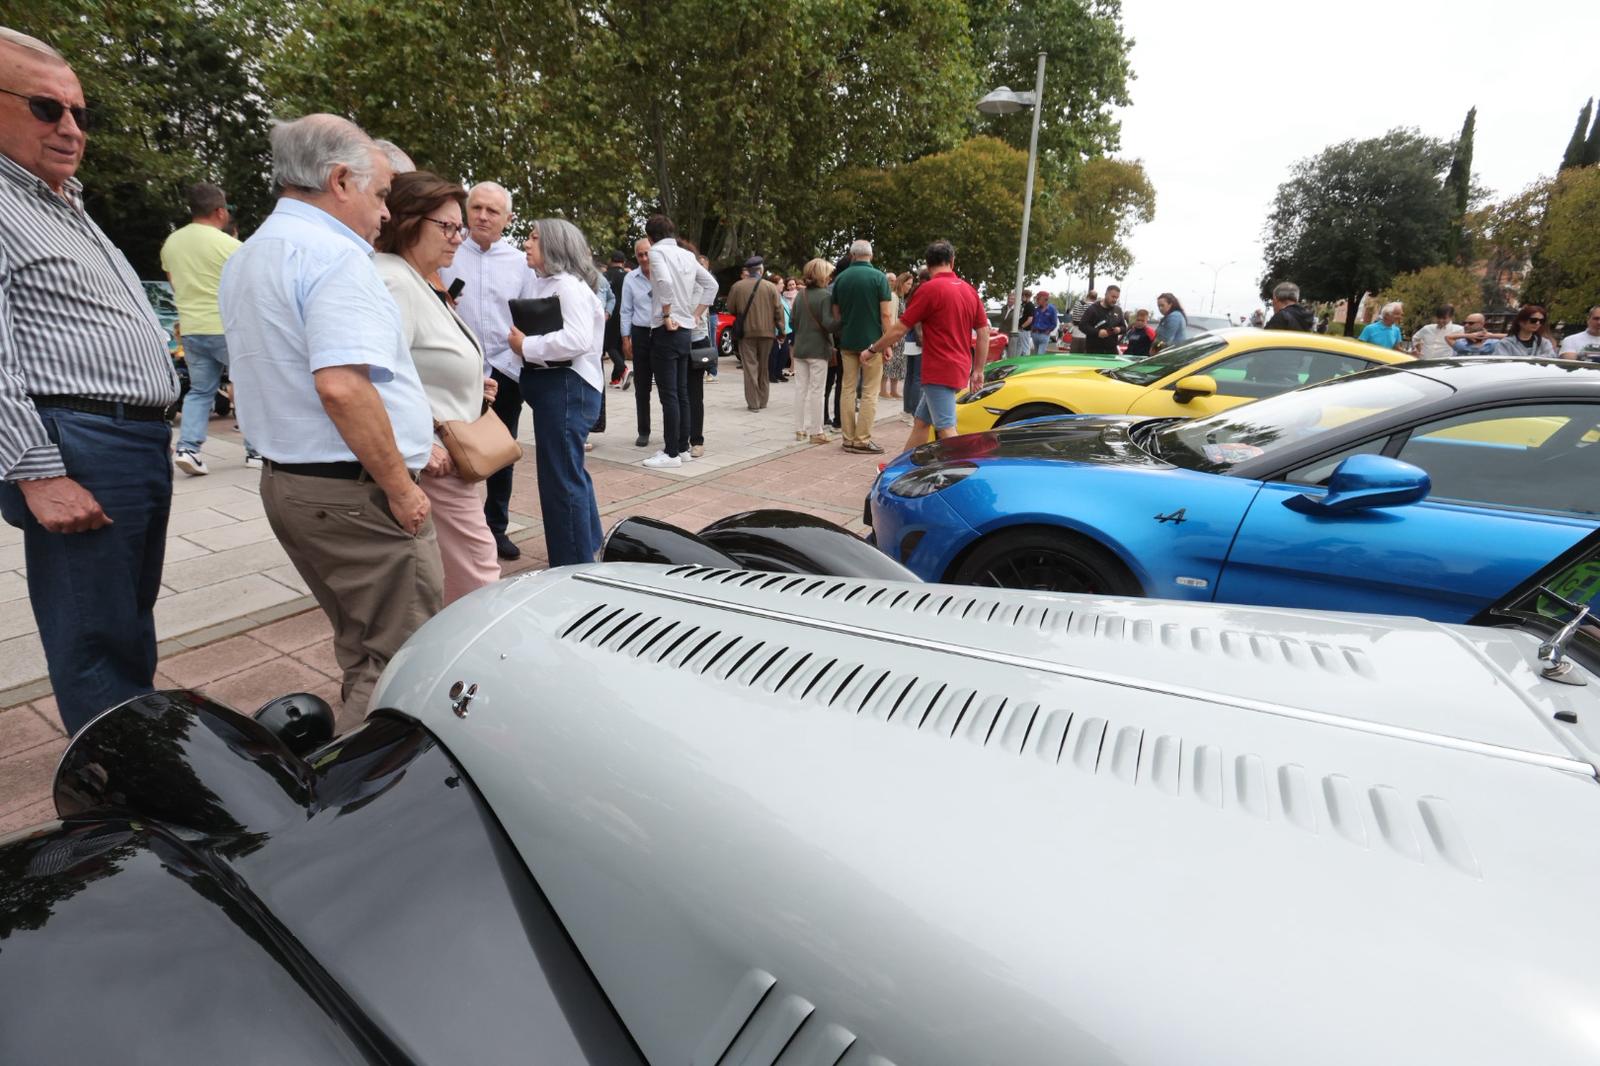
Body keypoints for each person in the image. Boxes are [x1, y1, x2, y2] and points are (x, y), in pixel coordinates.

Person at [219, 113, 440, 718]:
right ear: (341, 180)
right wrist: (401, 488)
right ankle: (375, 792)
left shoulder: (251, 254)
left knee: (362, 648)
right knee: (400, 660)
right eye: (382, 193)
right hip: (355, 492)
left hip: (294, 482)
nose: (387, 213)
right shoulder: (334, 256)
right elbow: (343, 387)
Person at [0, 28, 180, 734]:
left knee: (126, 622)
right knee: (95, 638)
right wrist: (37, 470)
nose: (71, 128)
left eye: (80, 112)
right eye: (48, 109)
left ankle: (139, 750)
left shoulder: (57, 199)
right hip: (78, 440)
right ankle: (115, 796)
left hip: (125, 439)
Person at [373, 172, 499, 606]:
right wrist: (421, 442)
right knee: (478, 575)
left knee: (458, 571)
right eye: (447, 227)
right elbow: (375, 376)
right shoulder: (393, 279)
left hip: (450, 453)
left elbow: (420, 361)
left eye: (457, 227)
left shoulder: (415, 278)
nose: (457, 238)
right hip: (438, 460)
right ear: (407, 223)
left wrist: (469, 381)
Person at [507, 218, 605, 563]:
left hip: (566, 388)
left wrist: (526, 345)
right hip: (558, 388)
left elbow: (577, 340)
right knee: (567, 472)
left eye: (535, 237)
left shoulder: (567, 286)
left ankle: (572, 563)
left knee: (560, 481)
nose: (527, 243)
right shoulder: (548, 284)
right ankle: (588, 544)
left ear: (554, 245)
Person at [440, 180, 529, 561]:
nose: (482, 216)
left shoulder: (520, 263)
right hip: (455, 369)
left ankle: (496, 527)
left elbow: (529, 313)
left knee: (499, 450)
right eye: (476, 208)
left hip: (505, 369)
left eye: (492, 211)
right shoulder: (448, 251)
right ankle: (453, 529)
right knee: (449, 448)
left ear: (507, 219)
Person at [162, 181, 255, 474]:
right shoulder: (229, 245)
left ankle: (189, 449)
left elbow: (174, 283)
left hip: (191, 328)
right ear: (219, 212)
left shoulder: (171, 243)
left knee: (200, 390)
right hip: (227, 326)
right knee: (250, 387)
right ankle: (256, 451)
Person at [864, 240, 987, 455]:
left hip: (938, 370)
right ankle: (901, 468)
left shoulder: (929, 290)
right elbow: (984, 332)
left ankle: (963, 476)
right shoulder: (969, 290)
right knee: (921, 422)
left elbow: (899, 329)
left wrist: (873, 349)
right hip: (959, 367)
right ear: (952, 261)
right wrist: (978, 370)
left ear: (928, 265)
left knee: (947, 430)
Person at [640, 214, 716, 468]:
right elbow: (711, 285)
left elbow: (664, 281)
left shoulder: (657, 253)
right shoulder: (687, 255)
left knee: (669, 394)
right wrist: (695, 315)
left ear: (650, 238)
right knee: (682, 392)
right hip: (685, 330)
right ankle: (682, 447)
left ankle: (671, 452)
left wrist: (666, 313)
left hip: (667, 328)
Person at [832, 239, 894, 453]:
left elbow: (836, 314)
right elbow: (885, 314)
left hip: (847, 340)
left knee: (847, 389)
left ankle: (848, 437)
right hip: (872, 343)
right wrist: (888, 342)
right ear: (871, 255)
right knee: (869, 391)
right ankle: (862, 439)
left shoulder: (841, 278)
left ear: (852, 255)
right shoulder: (879, 277)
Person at [726, 256, 785, 415]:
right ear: (760, 270)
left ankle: (753, 403)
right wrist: (782, 330)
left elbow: (731, 308)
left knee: (750, 367)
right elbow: (779, 311)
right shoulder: (771, 287)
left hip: (746, 333)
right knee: (764, 366)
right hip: (767, 333)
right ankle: (763, 400)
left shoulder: (737, 287)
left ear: (749, 270)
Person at [791, 258, 841, 444]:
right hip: (818, 349)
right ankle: (816, 431)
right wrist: (841, 321)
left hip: (800, 347)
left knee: (800, 389)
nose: (830, 278)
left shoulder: (800, 295)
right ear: (822, 275)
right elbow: (829, 324)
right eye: (828, 274)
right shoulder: (825, 296)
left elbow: (792, 322)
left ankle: (799, 429)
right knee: (817, 391)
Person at [619, 237, 652, 442]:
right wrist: (625, 338)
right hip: (640, 334)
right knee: (642, 386)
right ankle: (643, 431)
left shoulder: (664, 273)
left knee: (668, 388)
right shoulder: (630, 279)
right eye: (640, 254)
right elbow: (626, 310)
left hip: (662, 333)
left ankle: (671, 432)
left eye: (647, 253)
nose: (644, 258)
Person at [685, 249, 718, 457]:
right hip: (677, 340)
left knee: (694, 394)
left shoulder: (701, 285)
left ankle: (696, 439)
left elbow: (712, 286)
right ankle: (679, 436)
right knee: (677, 393)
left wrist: (695, 315)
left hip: (696, 340)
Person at [898, 272, 924, 425]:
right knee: (917, 378)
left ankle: (907, 410)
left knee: (910, 377)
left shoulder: (912, 294)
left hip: (910, 340)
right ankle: (914, 413)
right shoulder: (923, 293)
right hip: (918, 340)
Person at [1488, 305, 1558, 359]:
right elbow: (1502, 364)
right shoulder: (1505, 344)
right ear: (1521, 322)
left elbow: (1551, 359)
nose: (1537, 323)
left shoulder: (1545, 343)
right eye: (1533, 320)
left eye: (1541, 321)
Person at [1078, 286, 1128, 356]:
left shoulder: (1118, 310)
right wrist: (1098, 332)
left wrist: (1119, 329)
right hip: (1094, 351)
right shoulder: (1093, 309)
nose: (1115, 300)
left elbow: (1124, 328)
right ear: (1106, 294)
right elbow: (1082, 325)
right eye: (1113, 297)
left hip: (1111, 352)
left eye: (1116, 298)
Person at [603, 250, 628, 385]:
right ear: (623, 262)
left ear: (610, 260)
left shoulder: (605, 276)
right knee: (620, 344)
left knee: (609, 345)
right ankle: (616, 378)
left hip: (610, 313)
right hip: (625, 312)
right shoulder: (628, 276)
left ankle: (623, 369)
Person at [881, 269, 905, 400]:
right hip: (891, 332)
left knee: (896, 364)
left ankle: (893, 390)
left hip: (897, 333)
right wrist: (890, 335)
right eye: (891, 280)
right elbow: (888, 316)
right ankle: (883, 390)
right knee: (888, 364)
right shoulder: (889, 296)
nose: (893, 282)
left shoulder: (897, 296)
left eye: (894, 280)